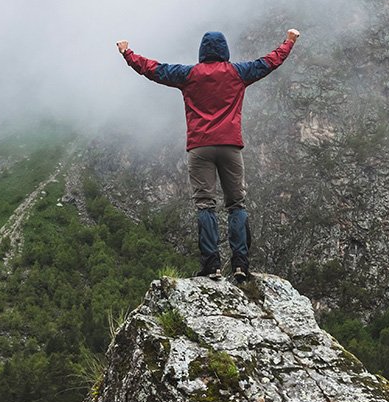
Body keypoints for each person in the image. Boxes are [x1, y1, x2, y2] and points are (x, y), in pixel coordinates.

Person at [116, 28, 300, 280]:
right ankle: (240, 265)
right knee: (236, 204)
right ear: (225, 51)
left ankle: (211, 265)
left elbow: (155, 70)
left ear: (202, 52)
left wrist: (127, 53)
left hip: (200, 148)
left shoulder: (188, 75)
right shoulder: (238, 73)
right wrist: (289, 42)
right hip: (230, 147)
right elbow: (268, 62)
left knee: (205, 204)